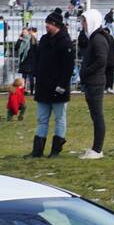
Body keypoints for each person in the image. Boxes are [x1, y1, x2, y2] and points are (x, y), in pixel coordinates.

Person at [30, 10, 75, 158]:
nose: (46, 26)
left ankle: (56, 150)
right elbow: (38, 59)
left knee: (59, 119)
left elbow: (68, 68)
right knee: (42, 119)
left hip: (58, 87)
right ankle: (37, 151)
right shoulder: (44, 40)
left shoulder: (65, 43)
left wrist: (62, 86)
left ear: (55, 25)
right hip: (43, 86)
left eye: (48, 24)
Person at [79, 9, 112, 159]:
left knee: (98, 116)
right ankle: (95, 148)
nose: (83, 25)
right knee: (95, 115)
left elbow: (101, 60)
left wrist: (86, 71)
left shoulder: (98, 39)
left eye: (84, 21)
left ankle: (97, 149)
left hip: (96, 82)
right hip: (92, 81)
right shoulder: (93, 38)